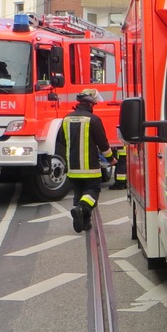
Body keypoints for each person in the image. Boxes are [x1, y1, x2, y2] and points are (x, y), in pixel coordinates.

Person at [59, 88, 115, 233]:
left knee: (79, 192)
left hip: (72, 168)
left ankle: (84, 222)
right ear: (90, 104)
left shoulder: (66, 119)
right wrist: (111, 159)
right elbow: (103, 144)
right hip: (90, 167)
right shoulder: (93, 120)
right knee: (93, 191)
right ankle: (81, 208)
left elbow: (62, 141)